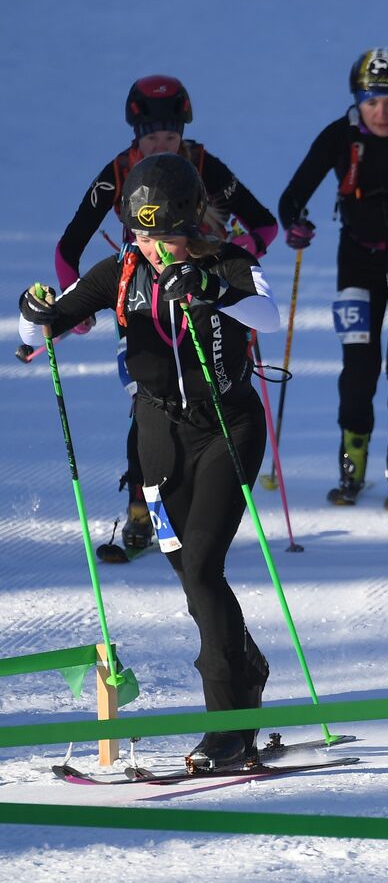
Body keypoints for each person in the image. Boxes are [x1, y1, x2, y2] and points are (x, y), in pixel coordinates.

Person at [20, 154, 280, 769]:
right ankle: (246, 662)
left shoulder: (228, 261)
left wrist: (212, 291)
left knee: (205, 564)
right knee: (183, 567)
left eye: (162, 234)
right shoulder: (120, 270)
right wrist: (34, 316)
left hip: (227, 427)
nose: (152, 246)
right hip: (157, 434)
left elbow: (268, 314)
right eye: (140, 232)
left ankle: (230, 723)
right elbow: (42, 333)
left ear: (191, 220)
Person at [54, 75, 278, 558]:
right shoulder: (118, 171)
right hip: (137, 293)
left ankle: (197, 501)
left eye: (171, 135)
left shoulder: (201, 165)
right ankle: (142, 505)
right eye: (153, 136)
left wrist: (227, 262)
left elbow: (264, 223)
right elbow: (68, 246)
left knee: (204, 383)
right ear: (136, 134)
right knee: (147, 396)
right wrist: (76, 305)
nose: (163, 145)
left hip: (202, 296)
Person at [279, 48, 388, 505]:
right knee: (358, 368)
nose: (382, 112)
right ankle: (351, 463)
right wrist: (295, 224)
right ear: (357, 100)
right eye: (371, 101)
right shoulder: (340, 135)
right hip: (357, 260)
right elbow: (292, 195)